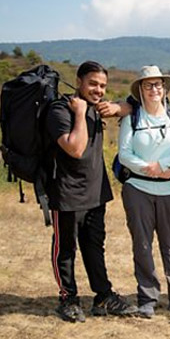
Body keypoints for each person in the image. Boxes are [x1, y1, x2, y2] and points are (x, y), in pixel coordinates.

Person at [46, 60, 138, 322]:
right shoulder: (60, 109)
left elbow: (137, 105)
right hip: (66, 193)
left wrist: (119, 107)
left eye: (102, 86)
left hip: (96, 192)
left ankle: (103, 296)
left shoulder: (98, 108)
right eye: (93, 84)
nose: (98, 90)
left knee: (95, 246)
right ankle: (68, 298)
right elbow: (74, 148)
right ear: (78, 82)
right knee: (65, 249)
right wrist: (79, 113)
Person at [117, 66, 170, 318]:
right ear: (140, 89)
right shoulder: (132, 119)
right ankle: (147, 298)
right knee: (143, 245)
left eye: (158, 84)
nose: (154, 90)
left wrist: (161, 167)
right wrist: (148, 169)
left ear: (164, 88)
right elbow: (125, 154)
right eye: (148, 85)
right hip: (137, 188)